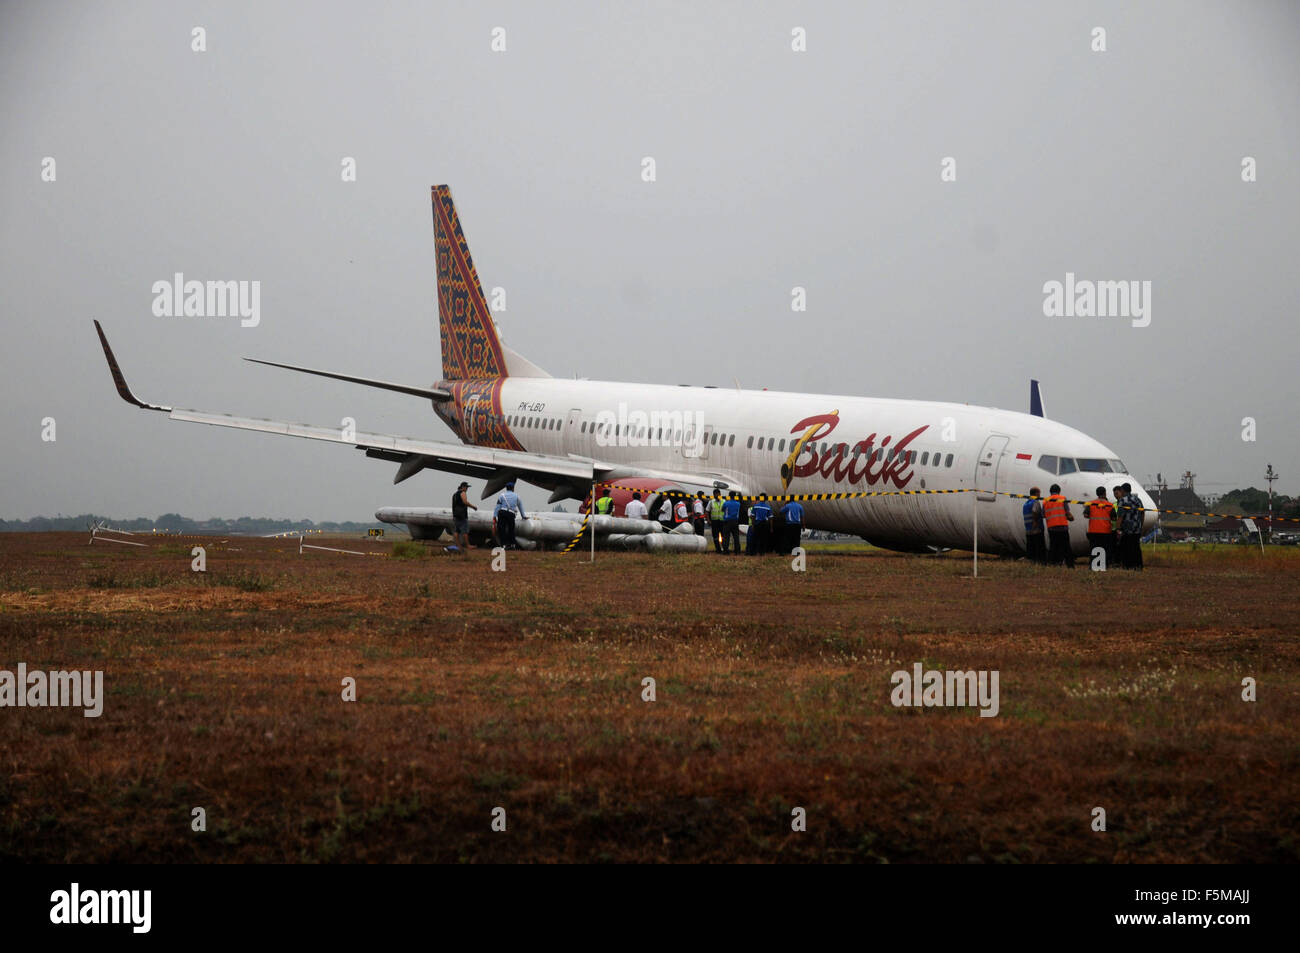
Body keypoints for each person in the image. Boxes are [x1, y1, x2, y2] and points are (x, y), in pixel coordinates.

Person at [1043, 483, 1074, 567]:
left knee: (1053, 546)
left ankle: (1052, 563)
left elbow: (1044, 515)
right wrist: (1071, 518)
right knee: (1066, 547)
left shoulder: (1045, 501)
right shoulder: (1062, 498)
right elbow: (1067, 513)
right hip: (1062, 526)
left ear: (1050, 492)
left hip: (1051, 527)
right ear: (1059, 491)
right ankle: (1070, 565)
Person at [1084, 486, 1116, 568]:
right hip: (1105, 531)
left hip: (1093, 530)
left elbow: (1085, 515)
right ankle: (1104, 565)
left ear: (1097, 494)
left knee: (1094, 548)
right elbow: (1114, 518)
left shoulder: (1091, 503)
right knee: (1105, 549)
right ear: (1105, 493)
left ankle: (1093, 565)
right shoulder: (1109, 505)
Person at [1115, 483, 1145, 570]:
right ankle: (1138, 566)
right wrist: (1141, 525)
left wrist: (1117, 528)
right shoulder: (1138, 500)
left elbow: (1120, 516)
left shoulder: (1122, 501)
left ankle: (1128, 566)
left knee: (1126, 548)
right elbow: (1142, 513)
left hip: (1127, 529)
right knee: (1136, 548)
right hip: (1137, 528)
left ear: (1123, 490)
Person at [494, 481, 526, 549]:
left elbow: (497, 506)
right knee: (511, 529)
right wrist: (523, 516)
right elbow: (520, 507)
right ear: (513, 488)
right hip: (511, 514)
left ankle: (503, 545)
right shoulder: (517, 496)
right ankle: (512, 544)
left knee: (502, 529)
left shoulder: (501, 495)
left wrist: (494, 515)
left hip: (502, 513)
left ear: (506, 488)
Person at [1022, 486, 1046, 564]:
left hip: (1028, 528)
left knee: (1030, 545)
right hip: (1036, 528)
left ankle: (1030, 559)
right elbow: (1035, 511)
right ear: (1036, 493)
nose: (1040, 495)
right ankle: (1039, 560)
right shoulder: (1035, 502)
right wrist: (1036, 521)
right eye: (1039, 493)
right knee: (1038, 546)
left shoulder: (1026, 503)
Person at [451, 481, 477, 553]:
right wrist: (473, 506)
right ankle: (468, 545)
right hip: (462, 515)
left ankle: (458, 545)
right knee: (465, 531)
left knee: (457, 531)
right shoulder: (463, 493)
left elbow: (453, 505)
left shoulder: (455, 494)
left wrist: (454, 514)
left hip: (456, 515)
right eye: (466, 487)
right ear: (463, 487)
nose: (467, 489)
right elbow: (465, 502)